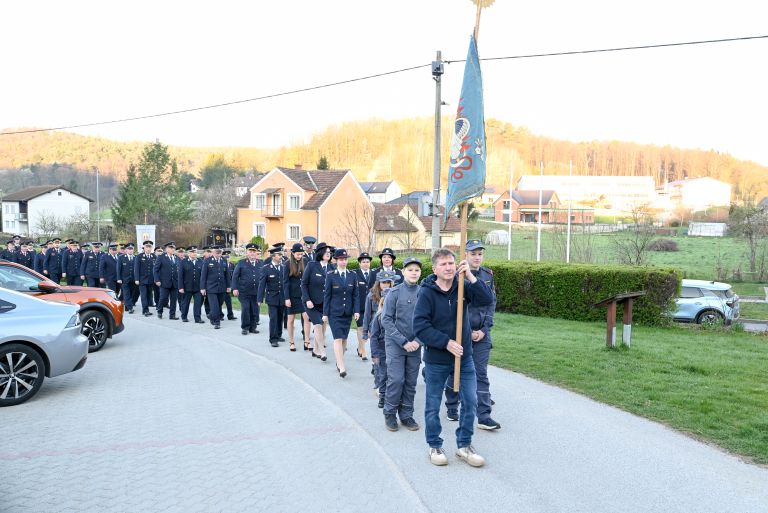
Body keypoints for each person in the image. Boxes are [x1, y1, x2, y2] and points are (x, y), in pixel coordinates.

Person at [413, 248, 493, 467]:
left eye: (451, 263)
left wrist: (470, 276)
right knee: (432, 404)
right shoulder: (426, 292)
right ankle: (435, 445)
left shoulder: (462, 287)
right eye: (444, 264)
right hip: (437, 359)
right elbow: (419, 326)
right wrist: (446, 343)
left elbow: (486, 299)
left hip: (464, 357)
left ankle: (464, 445)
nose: (449, 267)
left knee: (470, 400)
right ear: (435, 269)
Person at [444, 240, 500, 430]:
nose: (477, 257)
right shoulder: (456, 276)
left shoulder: (487, 275)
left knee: (480, 373)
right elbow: (451, 308)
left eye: (480, 254)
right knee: (456, 370)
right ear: (465, 255)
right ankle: (452, 406)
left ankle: (484, 415)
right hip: (461, 334)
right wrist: (466, 332)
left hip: (482, 333)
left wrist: (484, 330)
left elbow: (491, 304)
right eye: (473, 253)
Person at [381, 256, 423, 432]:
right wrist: (403, 341)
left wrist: (417, 341)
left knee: (411, 382)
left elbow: (428, 321)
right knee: (397, 379)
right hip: (396, 344)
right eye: (410, 269)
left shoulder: (424, 293)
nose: (413, 273)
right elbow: (386, 320)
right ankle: (390, 413)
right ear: (403, 272)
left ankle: (406, 414)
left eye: (417, 270)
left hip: (415, 344)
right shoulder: (394, 293)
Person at [322, 248, 360, 378]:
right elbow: (327, 295)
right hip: (334, 312)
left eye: (345, 259)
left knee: (344, 339)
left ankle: (339, 361)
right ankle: (341, 365)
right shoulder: (330, 275)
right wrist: (325, 313)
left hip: (347, 312)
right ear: (336, 260)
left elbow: (355, 295)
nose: (343, 262)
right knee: (337, 338)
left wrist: (356, 311)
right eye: (341, 259)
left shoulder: (352, 275)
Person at [367, 271, 399, 408]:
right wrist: (374, 354)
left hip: (394, 349)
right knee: (382, 373)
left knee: (393, 374)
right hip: (381, 349)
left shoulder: (398, 317)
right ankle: (382, 396)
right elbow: (373, 336)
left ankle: (391, 395)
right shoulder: (378, 317)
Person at [301, 242, 332, 360]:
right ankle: (322, 351)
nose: (328, 254)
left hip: (325, 304)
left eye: (329, 252)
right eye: (326, 252)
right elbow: (303, 284)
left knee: (323, 325)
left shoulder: (331, 267)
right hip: (311, 303)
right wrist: (307, 299)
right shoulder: (312, 265)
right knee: (318, 324)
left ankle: (315, 349)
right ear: (320, 253)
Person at [283, 243, 310, 351]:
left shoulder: (306, 262)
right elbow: (285, 282)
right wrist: (287, 298)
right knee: (291, 319)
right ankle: (292, 342)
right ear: (293, 253)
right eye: (298, 254)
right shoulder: (287, 264)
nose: (299, 256)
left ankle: (307, 341)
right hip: (292, 296)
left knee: (306, 318)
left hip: (303, 295)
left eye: (301, 254)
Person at [231, 243, 262, 334]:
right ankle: (245, 327)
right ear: (247, 252)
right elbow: (235, 277)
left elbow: (264, 277)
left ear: (257, 253)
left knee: (254, 310)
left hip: (256, 291)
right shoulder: (241, 263)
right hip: (244, 291)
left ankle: (253, 327)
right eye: (250, 251)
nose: (252, 253)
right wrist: (235, 288)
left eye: (254, 251)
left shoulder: (261, 263)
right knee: (245, 309)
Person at [258, 247, 286, 347]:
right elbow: (262, 285)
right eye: (279, 255)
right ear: (273, 256)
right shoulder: (266, 268)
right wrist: (259, 299)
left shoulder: (283, 268)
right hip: (272, 298)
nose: (281, 257)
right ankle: (273, 339)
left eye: (281, 255)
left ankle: (278, 335)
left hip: (282, 298)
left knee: (280, 317)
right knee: (273, 318)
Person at [200, 246, 230, 329]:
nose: (218, 254)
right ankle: (217, 322)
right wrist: (202, 288)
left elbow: (227, 274)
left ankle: (211, 315)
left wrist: (228, 286)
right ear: (213, 252)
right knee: (214, 305)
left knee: (219, 303)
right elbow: (203, 275)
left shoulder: (224, 260)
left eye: (220, 252)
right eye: (217, 252)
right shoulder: (207, 261)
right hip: (211, 288)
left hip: (222, 287)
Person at [178, 246, 205, 324]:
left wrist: (203, 287)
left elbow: (203, 276)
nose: (194, 253)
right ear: (188, 253)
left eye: (195, 252)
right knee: (185, 303)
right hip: (187, 287)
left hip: (198, 287)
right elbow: (180, 276)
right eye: (192, 252)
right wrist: (181, 287)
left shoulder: (200, 261)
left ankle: (197, 318)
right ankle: (184, 316)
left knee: (198, 303)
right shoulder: (183, 262)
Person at [154, 241, 180, 319]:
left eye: (173, 248)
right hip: (164, 282)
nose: (173, 249)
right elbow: (156, 270)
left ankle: (172, 315)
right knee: (163, 298)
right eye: (171, 248)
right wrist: (157, 280)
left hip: (175, 282)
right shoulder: (161, 257)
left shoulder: (176, 258)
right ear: (166, 249)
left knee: (173, 300)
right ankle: (159, 311)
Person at [134, 241, 156, 316]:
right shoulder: (139, 256)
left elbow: (156, 269)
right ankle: (145, 310)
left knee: (148, 295)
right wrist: (136, 279)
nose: (148, 248)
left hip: (151, 280)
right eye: (147, 247)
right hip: (142, 280)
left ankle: (147, 309)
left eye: (150, 247)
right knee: (143, 295)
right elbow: (136, 269)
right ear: (144, 247)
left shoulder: (154, 256)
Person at [118, 243, 138, 314]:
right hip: (124, 279)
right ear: (126, 250)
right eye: (129, 249)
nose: (130, 250)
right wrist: (119, 278)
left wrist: (137, 279)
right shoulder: (121, 257)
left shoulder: (136, 257)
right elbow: (118, 269)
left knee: (132, 293)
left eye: (131, 249)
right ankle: (130, 308)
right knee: (126, 293)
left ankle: (127, 306)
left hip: (133, 279)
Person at [222, 250, 237, 321]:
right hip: (222, 287)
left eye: (228, 257)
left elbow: (234, 276)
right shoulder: (221, 264)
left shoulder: (232, 265)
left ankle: (230, 315)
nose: (227, 258)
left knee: (229, 302)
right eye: (226, 257)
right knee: (220, 302)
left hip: (229, 287)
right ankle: (220, 315)